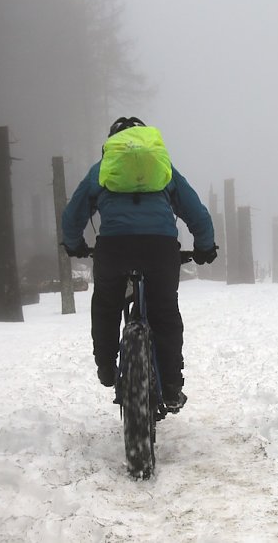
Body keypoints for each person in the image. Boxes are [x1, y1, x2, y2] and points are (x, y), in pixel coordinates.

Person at [61, 116, 217, 412]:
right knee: (165, 313)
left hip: (114, 248)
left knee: (106, 304)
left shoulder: (102, 170)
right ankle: (171, 385)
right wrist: (204, 247)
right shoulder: (163, 168)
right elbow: (196, 211)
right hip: (160, 249)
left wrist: (74, 244)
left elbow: (73, 214)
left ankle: (106, 365)